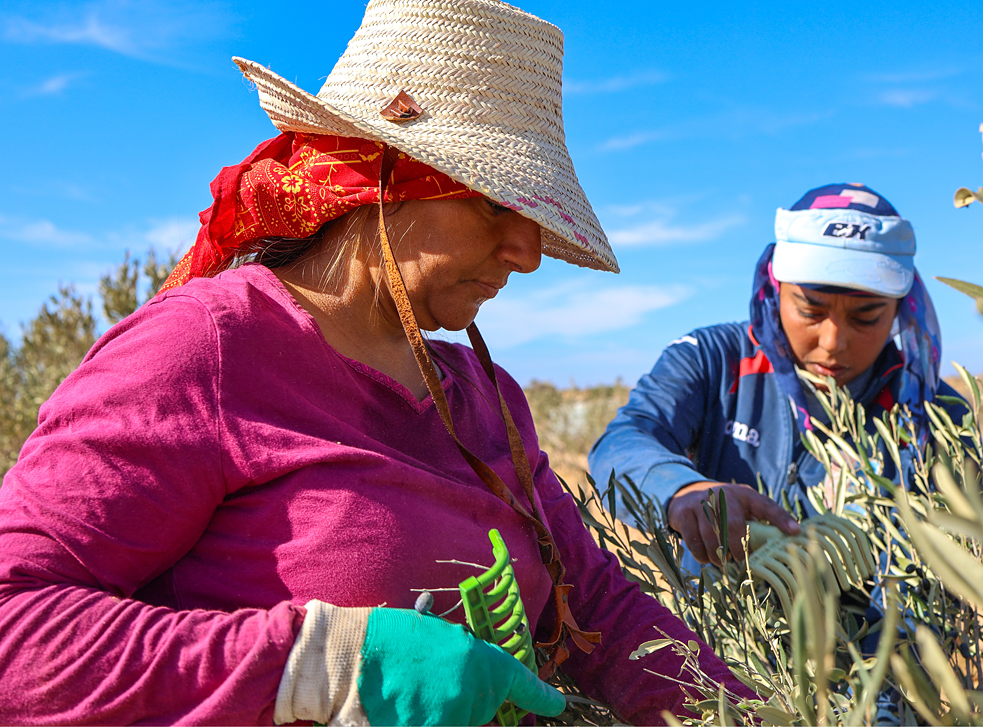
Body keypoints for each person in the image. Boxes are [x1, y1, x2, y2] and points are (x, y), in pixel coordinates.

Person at [0, 1, 755, 725]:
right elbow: (17, 630)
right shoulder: (206, 351)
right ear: (378, 178)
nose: (526, 253)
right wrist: (325, 664)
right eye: (498, 205)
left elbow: (600, 608)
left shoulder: (484, 395)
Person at [589, 183, 963, 573]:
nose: (833, 342)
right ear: (774, 290)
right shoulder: (712, 358)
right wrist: (682, 490)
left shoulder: (934, 413)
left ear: (902, 309)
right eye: (811, 311)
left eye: (866, 317)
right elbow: (623, 442)